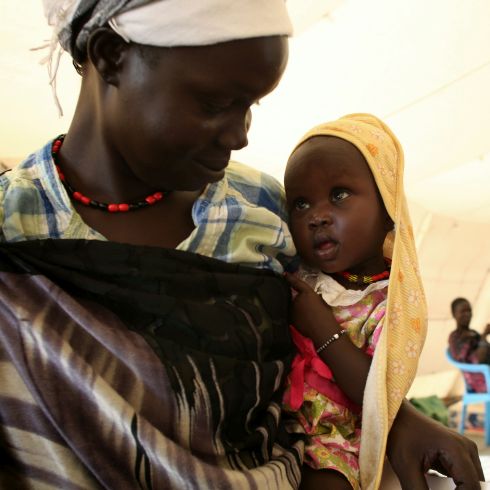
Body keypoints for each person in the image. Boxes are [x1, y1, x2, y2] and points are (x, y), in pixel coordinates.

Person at [0, 2, 483, 489]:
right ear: (110, 55)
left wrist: (396, 422)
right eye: (214, 104)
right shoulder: (12, 224)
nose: (241, 135)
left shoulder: (263, 208)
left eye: (251, 105)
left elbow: (325, 346)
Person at [281, 113, 424, 489]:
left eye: (339, 195)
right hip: (276, 424)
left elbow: (377, 394)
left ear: (387, 207)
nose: (317, 217)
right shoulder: (297, 277)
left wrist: (322, 328)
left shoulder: (392, 304)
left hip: (338, 439)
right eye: (300, 204)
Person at [449, 297, 490, 392]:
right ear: (454, 314)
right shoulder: (455, 337)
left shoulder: (474, 333)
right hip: (479, 380)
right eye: (463, 311)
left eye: (469, 311)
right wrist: (484, 336)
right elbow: (479, 360)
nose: (467, 314)